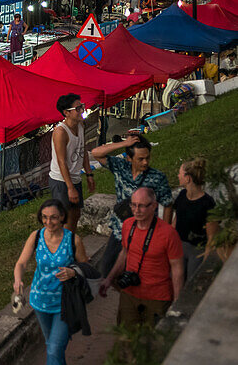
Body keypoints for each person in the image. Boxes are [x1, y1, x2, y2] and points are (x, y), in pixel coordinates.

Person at [13, 199, 89, 365]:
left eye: (53, 217)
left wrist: (73, 272)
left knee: (54, 348)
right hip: (40, 302)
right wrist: (18, 280)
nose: (49, 222)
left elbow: (86, 267)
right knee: (53, 346)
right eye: (45, 217)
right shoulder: (36, 236)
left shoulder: (73, 240)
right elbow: (21, 263)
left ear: (62, 217)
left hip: (64, 304)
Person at [100, 188, 183, 329]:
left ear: (154, 206)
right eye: (133, 205)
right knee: (125, 339)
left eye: (142, 206)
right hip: (129, 293)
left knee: (153, 343)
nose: (136, 210)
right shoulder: (127, 225)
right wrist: (109, 279)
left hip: (157, 297)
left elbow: (177, 268)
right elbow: (124, 254)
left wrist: (177, 300)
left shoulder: (168, 234)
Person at [91, 132, 173, 275]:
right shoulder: (120, 167)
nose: (145, 162)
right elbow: (96, 153)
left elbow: (167, 204)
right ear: (129, 158)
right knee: (106, 268)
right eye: (140, 159)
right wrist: (124, 144)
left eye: (147, 158)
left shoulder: (157, 177)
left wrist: (164, 233)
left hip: (145, 232)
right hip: (120, 229)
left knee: (139, 272)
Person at [49, 94, 95, 233]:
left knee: (75, 215)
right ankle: (63, 250)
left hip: (75, 178)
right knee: (65, 219)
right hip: (61, 181)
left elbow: (83, 149)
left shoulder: (80, 125)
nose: (82, 110)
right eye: (78, 108)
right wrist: (70, 188)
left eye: (82, 106)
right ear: (66, 113)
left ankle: (70, 246)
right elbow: (61, 161)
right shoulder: (61, 132)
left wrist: (89, 174)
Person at [172, 157, 216, 283]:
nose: (177, 175)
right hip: (179, 247)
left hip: (197, 251)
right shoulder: (181, 196)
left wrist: (205, 265)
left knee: (192, 282)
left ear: (188, 178)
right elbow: (175, 223)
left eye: (180, 173)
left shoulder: (207, 203)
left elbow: (211, 238)